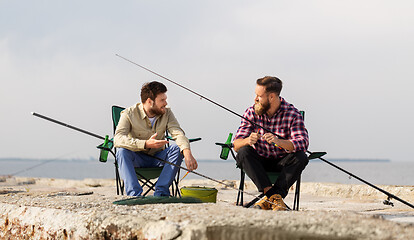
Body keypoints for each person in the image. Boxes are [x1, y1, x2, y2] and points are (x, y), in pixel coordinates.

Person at [233, 76, 309, 211]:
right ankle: (274, 197)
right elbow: (236, 144)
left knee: (301, 157)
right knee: (244, 152)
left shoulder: (292, 113)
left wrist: (279, 142)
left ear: (272, 97)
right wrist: (247, 140)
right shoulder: (251, 112)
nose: (255, 99)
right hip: (259, 161)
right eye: (255, 95)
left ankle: (269, 199)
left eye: (259, 96)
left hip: (282, 162)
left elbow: (302, 142)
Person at [114, 81, 198, 197]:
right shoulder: (129, 113)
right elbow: (118, 139)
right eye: (162, 100)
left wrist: (187, 152)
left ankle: (161, 192)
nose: (165, 103)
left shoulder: (167, 113)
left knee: (176, 148)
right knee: (121, 152)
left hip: (158, 158)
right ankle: (134, 195)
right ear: (150, 101)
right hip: (137, 159)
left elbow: (177, 133)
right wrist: (145, 144)